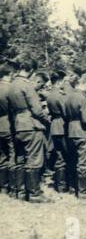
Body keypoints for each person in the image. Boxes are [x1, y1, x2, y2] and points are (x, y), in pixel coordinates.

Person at [7, 61, 50, 202]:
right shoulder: (27, 85)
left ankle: (19, 192)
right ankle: (34, 194)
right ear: (31, 69)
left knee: (19, 159)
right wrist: (45, 118)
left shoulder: (11, 85)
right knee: (34, 160)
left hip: (17, 125)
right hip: (31, 125)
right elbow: (37, 110)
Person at [65, 73, 86, 199]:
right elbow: (85, 118)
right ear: (85, 84)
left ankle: (73, 188)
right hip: (82, 131)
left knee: (73, 160)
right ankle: (83, 192)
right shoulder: (82, 98)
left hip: (71, 130)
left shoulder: (69, 96)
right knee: (84, 162)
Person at [46, 71, 69, 193]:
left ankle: (60, 185)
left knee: (59, 157)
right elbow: (65, 112)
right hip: (62, 126)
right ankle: (67, 184)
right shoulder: (60, 95)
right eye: (64, 81)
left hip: (54, 126)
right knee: (67, 155)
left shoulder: (50, 94)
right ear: (59, 81)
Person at [0, 64, 15, 195]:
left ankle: (3, 186)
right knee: (13, 154)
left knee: (2, 157)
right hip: (9, 124)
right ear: (10, 74)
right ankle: (13, 186)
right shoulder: (10, 89)